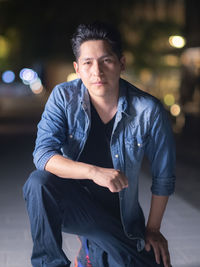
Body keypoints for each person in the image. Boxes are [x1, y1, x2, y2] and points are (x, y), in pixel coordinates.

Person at [23, 21, 176, 267]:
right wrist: (94, 172)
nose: (97, 72)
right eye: (88, 63)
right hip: (76, 207)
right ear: (77, 68)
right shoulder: (63, 97)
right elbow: (43, 155)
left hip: (122, 221)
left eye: (106, 61)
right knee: (38, 182)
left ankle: (90, 252)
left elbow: (164, 177)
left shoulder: (149, 110)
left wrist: (154, 229)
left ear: (121, 63)